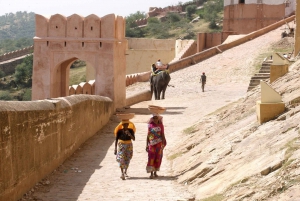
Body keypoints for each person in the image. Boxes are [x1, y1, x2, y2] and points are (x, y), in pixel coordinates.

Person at [146, 114, 167, 179]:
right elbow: (148, 135)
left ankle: (155, 172)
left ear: (158, 118)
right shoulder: (150, 125)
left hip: (159, 144)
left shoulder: (161, 125)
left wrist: (163, 143)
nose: (155, 119)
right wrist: (146, 145)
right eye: (154, 118)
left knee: (158, 157)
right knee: (151, 157)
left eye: (156, 118)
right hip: (151, 144)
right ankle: (151, 173)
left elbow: (162, 134)